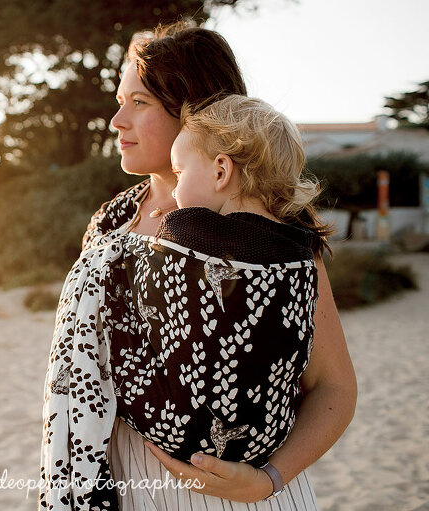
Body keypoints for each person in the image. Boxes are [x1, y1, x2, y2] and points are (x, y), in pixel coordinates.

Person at [39, 23, 357, 511]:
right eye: (120, 101)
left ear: (194, 111)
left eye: (138, 103)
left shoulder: (269, 234)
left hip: (243, 495)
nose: (116, 120)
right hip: (131, 487)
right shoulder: (111, 222)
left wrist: (267, 480)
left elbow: (334, 387)